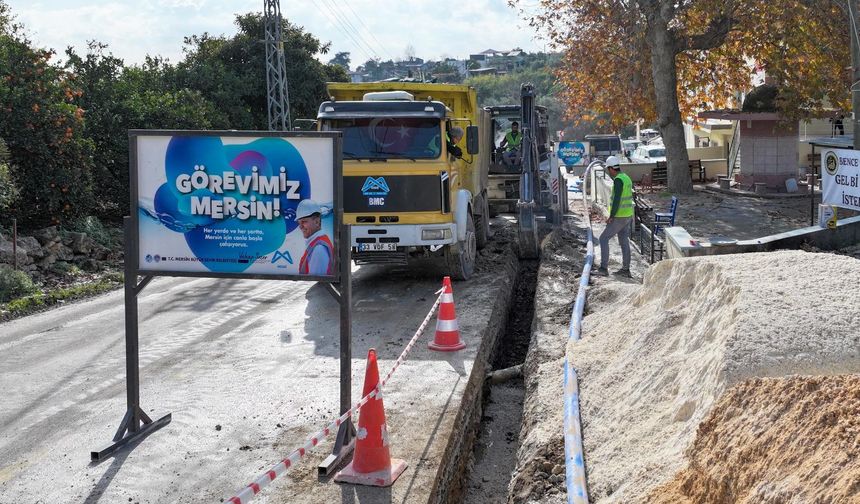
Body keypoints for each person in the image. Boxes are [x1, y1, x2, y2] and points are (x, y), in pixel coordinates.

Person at [595, 156, 634, 277]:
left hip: (619, 216)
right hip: (628, 215)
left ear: (612, 168)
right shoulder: (626, 177)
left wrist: (611, 216)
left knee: (603, 238)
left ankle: (603, 268)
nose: (608, 172)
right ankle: (626, 269)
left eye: (608, 169)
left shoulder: (618, 180)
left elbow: (617, 200)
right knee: (624, 241)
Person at [295, 199, 333, 276]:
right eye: (299, 223)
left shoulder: (319, 249)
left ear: (317, 222)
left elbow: (316, 280)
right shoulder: (316, 243)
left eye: (304, 221)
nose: (300, 227)